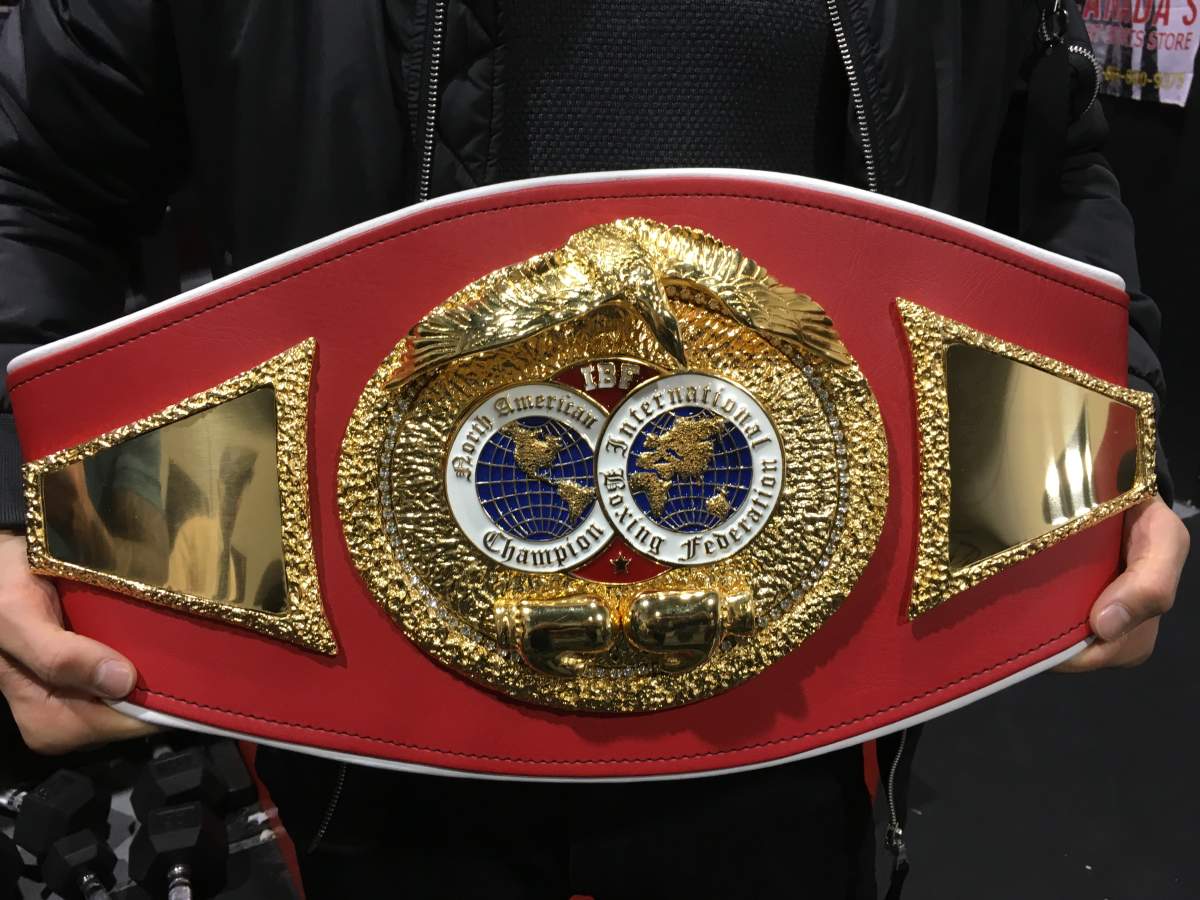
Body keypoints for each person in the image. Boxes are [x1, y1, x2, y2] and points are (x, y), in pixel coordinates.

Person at [0, 2, 1189, 897]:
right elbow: (32, 171)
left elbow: (1048, 175)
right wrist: (16, 498)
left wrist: (1098, 449)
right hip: (359, 733)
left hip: (810, 719)